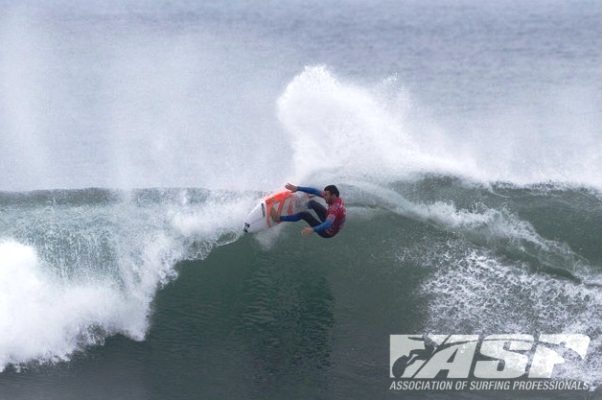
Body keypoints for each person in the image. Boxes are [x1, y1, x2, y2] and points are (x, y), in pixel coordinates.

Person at [271, 183, 346, 238]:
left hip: (327, 231)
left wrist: (313, 229)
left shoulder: (335, 209)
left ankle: (278, 218)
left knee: (304, 214)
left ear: (333, 195)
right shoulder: (335, 199)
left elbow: (327, 224)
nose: (324, 196)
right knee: (312, 203)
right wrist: (297, 188)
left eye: (326, 195)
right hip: (331, 221)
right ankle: (299, 205)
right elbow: (314, 191)